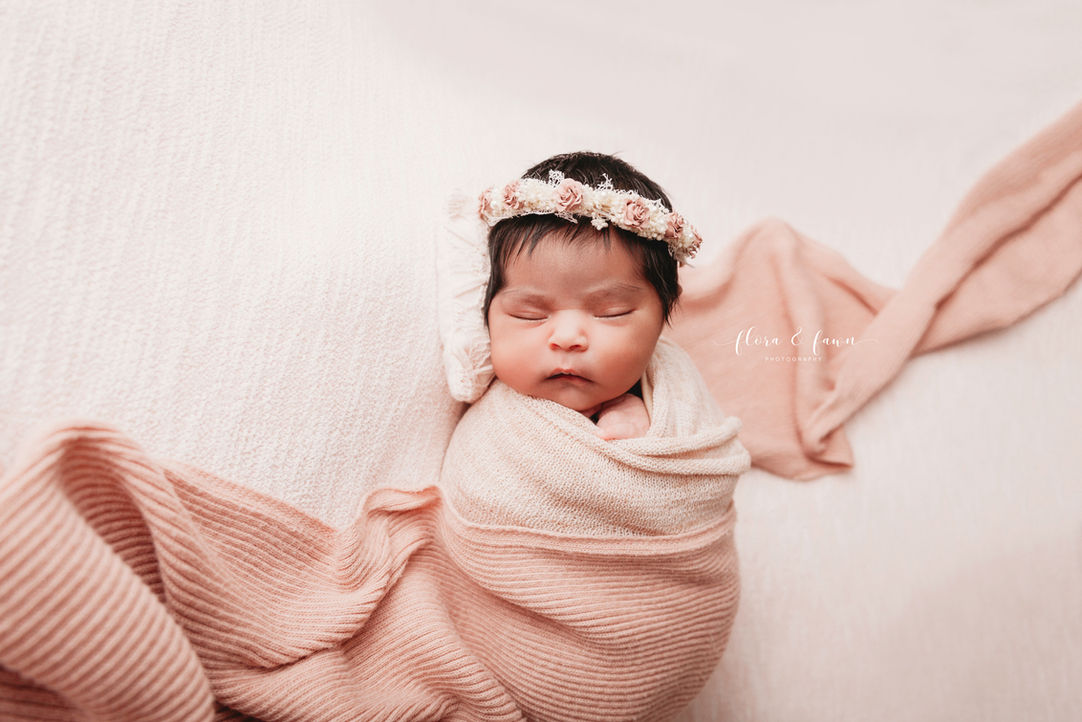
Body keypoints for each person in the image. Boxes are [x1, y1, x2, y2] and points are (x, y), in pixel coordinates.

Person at [478, 151, 702, 440]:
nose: (568, 338)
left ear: (664, 313)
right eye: (529, 314)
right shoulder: (485, 411)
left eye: (612, 312)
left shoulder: (676, 402)